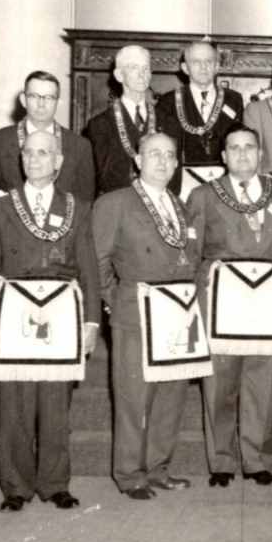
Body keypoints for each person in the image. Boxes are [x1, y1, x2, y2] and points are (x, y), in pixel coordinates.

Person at [0, 130, 100, 511]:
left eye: (44, 153)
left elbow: (89, 268)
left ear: (58, 161)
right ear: (20, 158)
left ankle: (55, 483)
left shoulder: (78, 207)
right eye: (28, 153)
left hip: (61, 311)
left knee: (56, 402)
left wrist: (92, 322)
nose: (35, 159)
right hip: (13, 310)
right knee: (14, 403)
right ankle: (16, 486)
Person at [93, 132, 203, 499]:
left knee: (171, 395)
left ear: (176, 164)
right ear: (138, 161)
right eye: (153, 154)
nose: (162, 161)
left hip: (177, 310)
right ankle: (130, 474)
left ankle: (158, 468)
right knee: (133, 397)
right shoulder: (115, 203)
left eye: (169, 155)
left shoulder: (180, 205)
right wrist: (118, 300)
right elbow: (98, 260)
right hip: (137, 310)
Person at [186, 124, 272, 487]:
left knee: (263, 383)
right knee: (220, 384)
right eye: (235, 148)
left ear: (260, 154)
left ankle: (257, 460)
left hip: (268, 298)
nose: (243, 154)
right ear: (223, 156)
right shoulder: (203, 195)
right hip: (222, 299)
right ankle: (222, 461)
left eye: (249, 147)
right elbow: (192, 254)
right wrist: (194, 304)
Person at [0, 71, 95, 203]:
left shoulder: (80, 146)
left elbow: (85, 204)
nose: (41, 104)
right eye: (34, 96)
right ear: (23, 100)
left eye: (49, 97)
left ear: (58, 102)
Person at [155, 40, 246, 200]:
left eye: (209, 61)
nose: (203, 67)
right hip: (183, 183)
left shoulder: (233, 100)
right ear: (185, 68)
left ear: (217, 66)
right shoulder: (168, 102)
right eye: (196, 62)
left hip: (224, 181)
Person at [85, 45, 154, 196]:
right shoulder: (100, 124)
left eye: (146, 68)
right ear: (119, 75)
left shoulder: (166, 120)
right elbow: (102, 178)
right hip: (118, 203)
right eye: (134, 68)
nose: (142, 74)